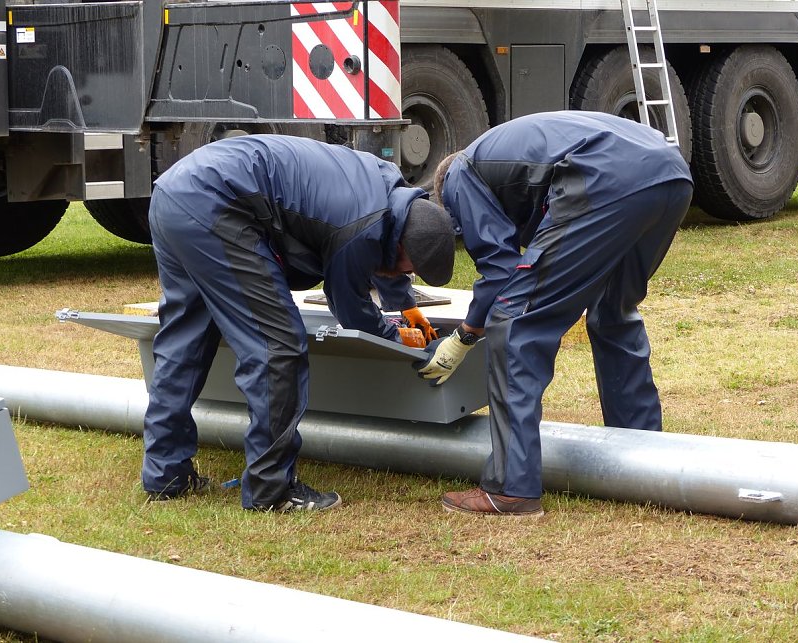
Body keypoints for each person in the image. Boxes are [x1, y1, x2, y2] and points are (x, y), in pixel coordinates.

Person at [144, 134, 455, 511]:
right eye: (410, 268)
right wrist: (400, 337)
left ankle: (166, 474)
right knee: (278, 347)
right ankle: (271, 490)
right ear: (404, 246)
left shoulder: (389, 192)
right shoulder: (362, 226)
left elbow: (383, 250)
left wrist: (408, 308)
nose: (406, 274)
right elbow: (351, 309)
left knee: (185, 339)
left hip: (175, 192)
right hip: (219, 203)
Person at [418, 111, 693, 516]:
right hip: (671, 172)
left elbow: (500, 270)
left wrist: (464, 335)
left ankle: (510, 489)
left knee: (514, 324)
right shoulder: (509, 164)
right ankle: (641, 462)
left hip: (603, 177)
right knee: (613, 312)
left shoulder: (460, 175)